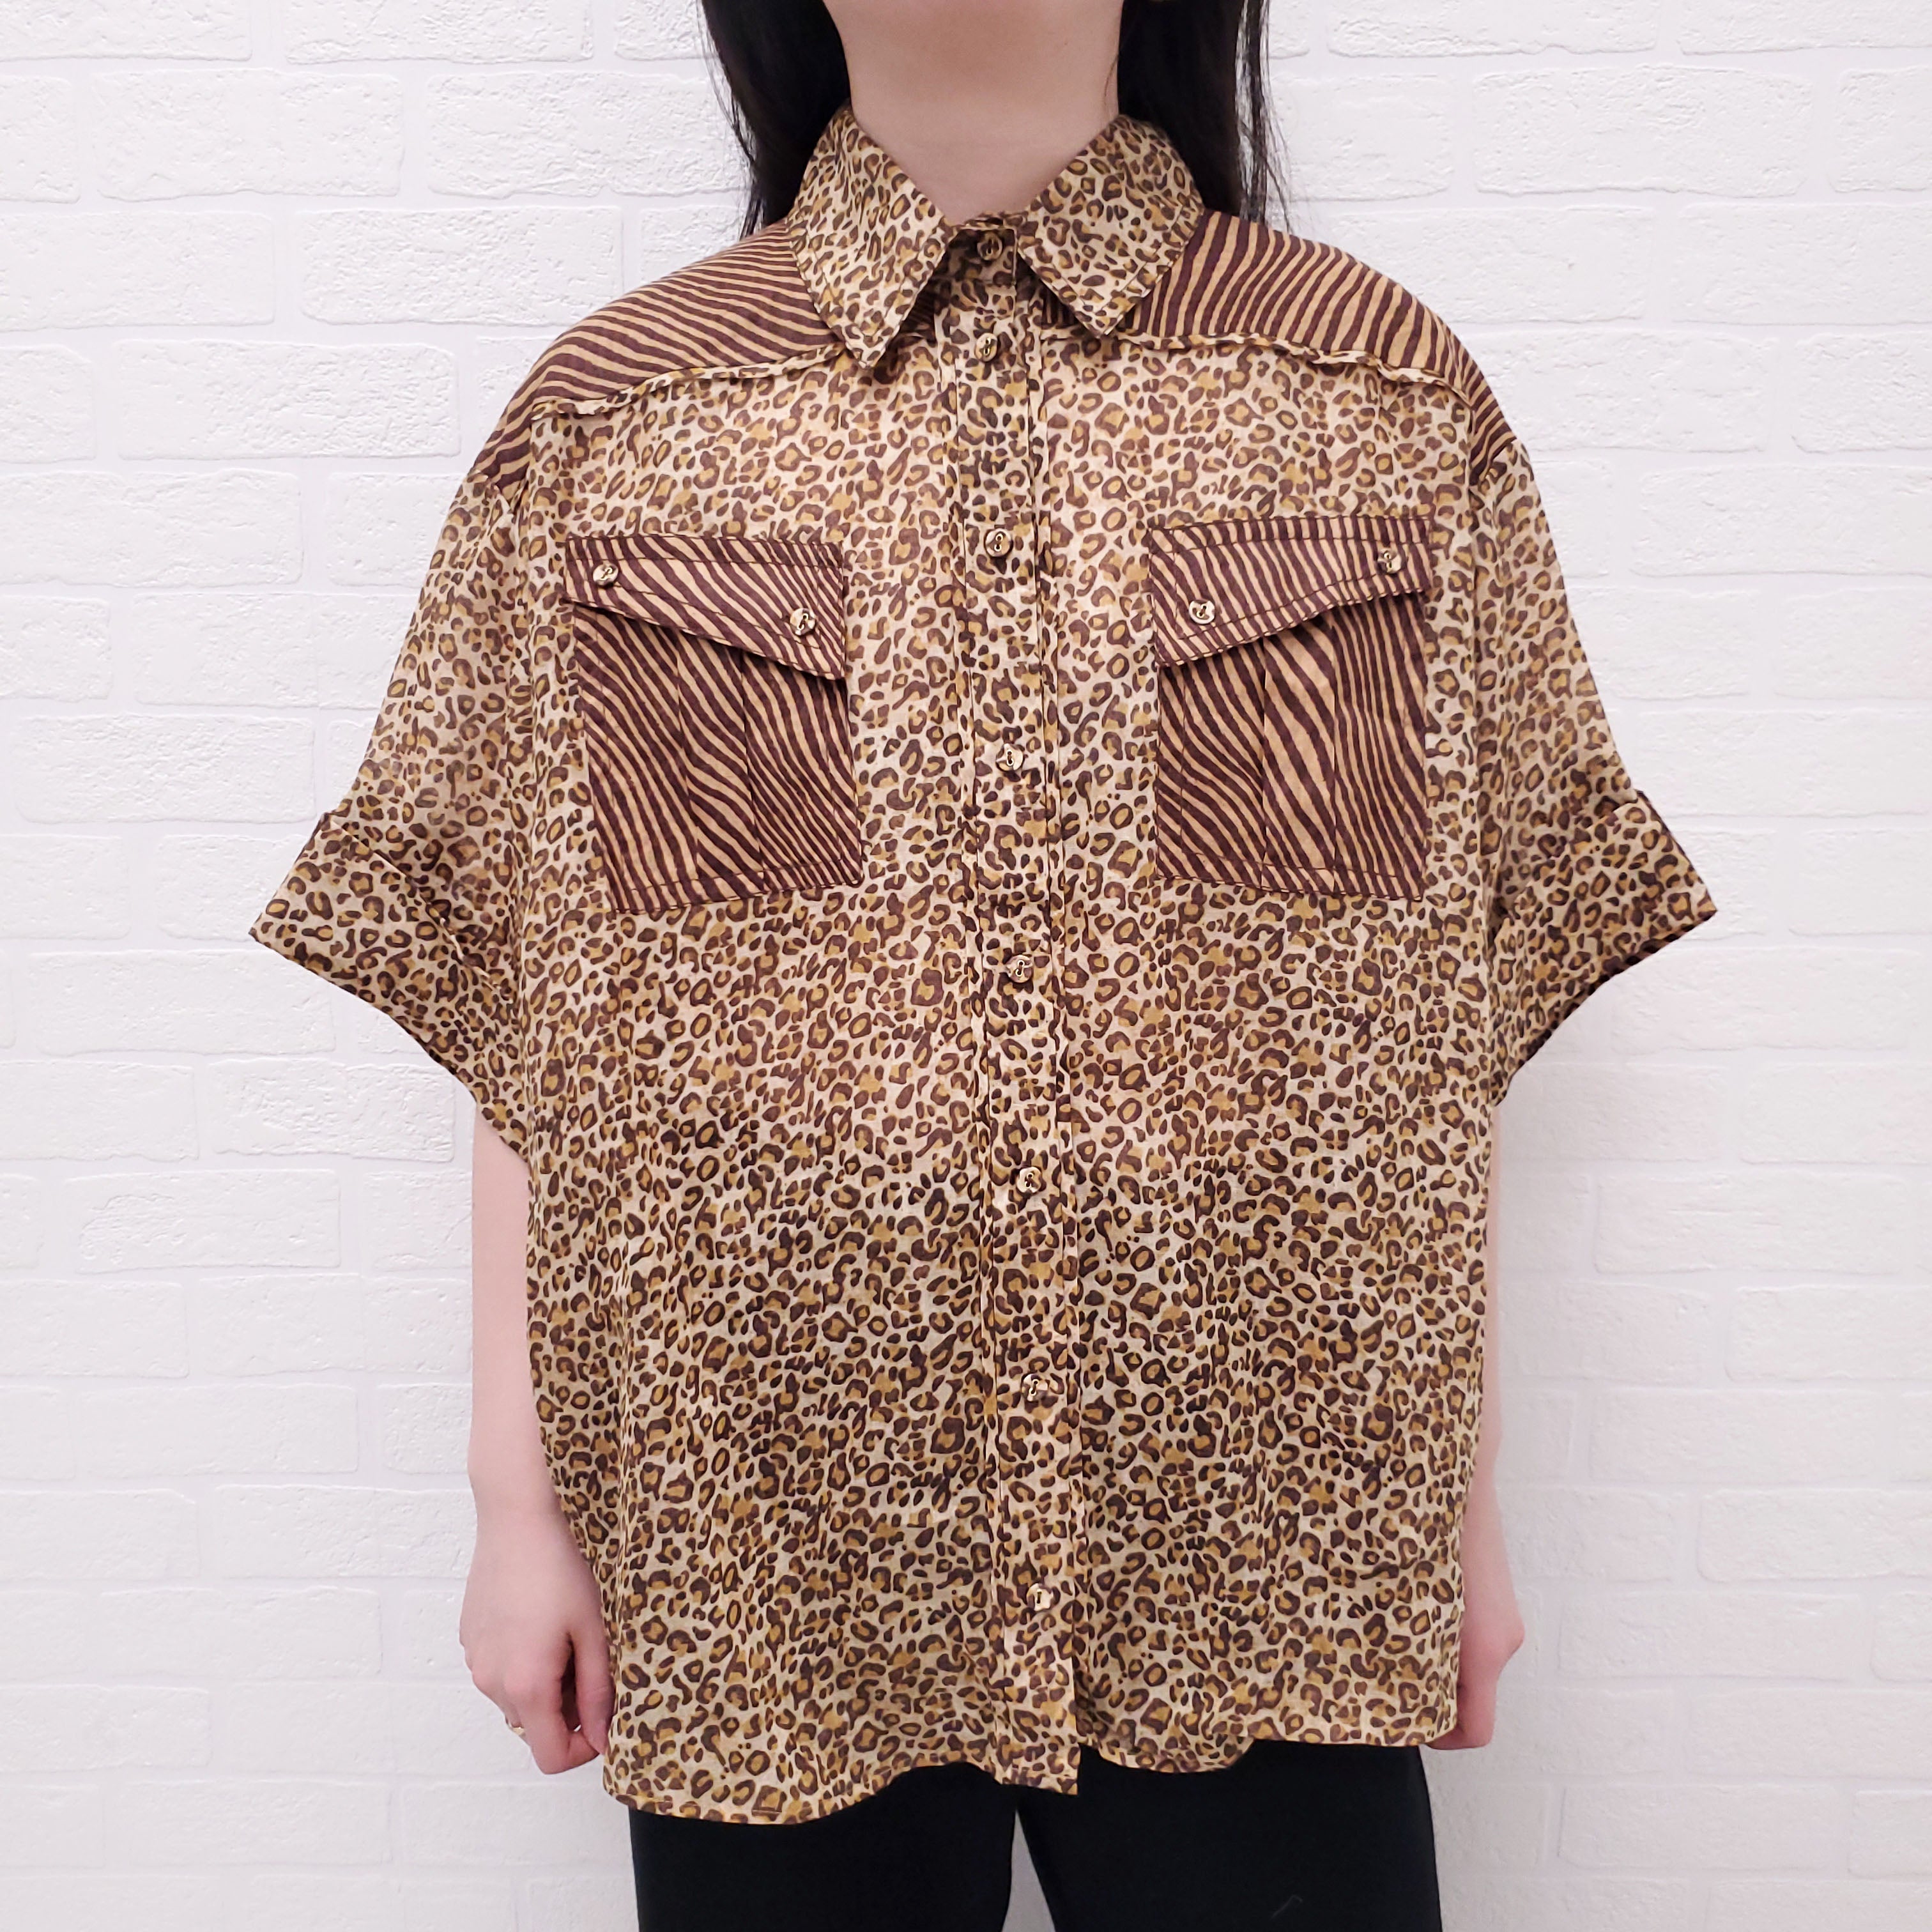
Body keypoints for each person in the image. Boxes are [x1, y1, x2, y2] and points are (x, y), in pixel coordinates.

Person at [251, 1, 1714, 1926]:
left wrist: (1460, 1505)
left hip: (1264, 1532)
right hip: (765, 1554)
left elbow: (1439, 1033)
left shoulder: (1375, 393)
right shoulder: (616, 421)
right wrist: (517, 1507)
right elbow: (536, 1017)